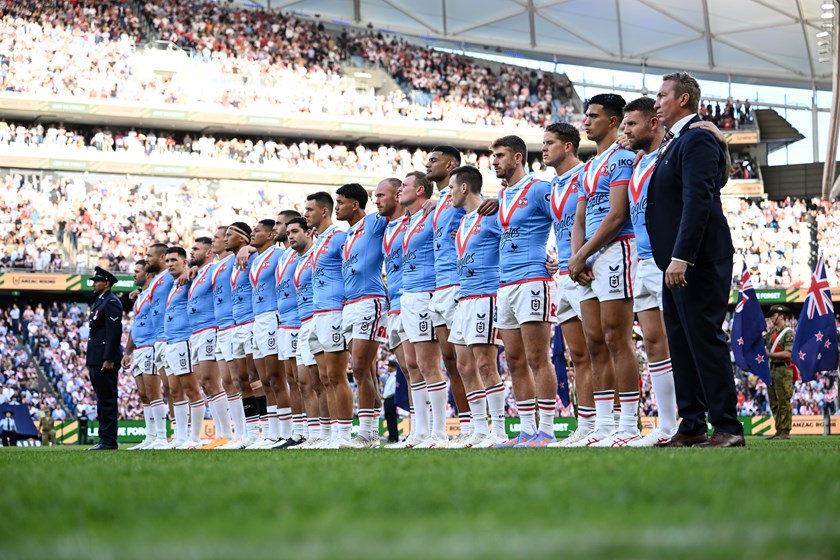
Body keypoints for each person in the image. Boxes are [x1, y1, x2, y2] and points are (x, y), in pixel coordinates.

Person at [647, 72, 744, 448]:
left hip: (695, 259)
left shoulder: (698, 138)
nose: (656, 102)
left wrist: (682, 257)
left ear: (683, 99)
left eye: (661, 95)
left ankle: (728, 427)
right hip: (675, 261)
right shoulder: (678, 142)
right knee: (682, 343)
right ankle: (691, 425)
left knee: (703, 339)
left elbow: (700, 198)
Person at [567, 93, 640, 448]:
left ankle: (628, 423)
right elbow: (579, 217)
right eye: (586, 115)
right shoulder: (587, 167)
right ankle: (604, 424)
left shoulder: (622, 158)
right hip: (590, 256)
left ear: (613, 121)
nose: (586, 121)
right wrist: (577, 256)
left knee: (616, 338)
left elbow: (616, 214)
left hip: (616, 250)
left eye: (593, 116)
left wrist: (583, 255)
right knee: (594, 342)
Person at [617, 96, 679, 447]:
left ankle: (694, 420)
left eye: (631, 125)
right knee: (654, 343)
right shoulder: (638, 162)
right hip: (643, 261)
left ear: (653, 123)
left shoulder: (671, 155)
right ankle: (666, 426)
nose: (625, 132)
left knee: (679, 341)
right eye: (624, 125)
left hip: (669, 259)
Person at [490, 136, 558, 448]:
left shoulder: (540, 188)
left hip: (533, 279)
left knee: (537, 357)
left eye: (500, 155)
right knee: (514, 361)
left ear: (518, 157)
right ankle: (527, 430)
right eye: (493, 156)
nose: (494, 161)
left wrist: (558, 253)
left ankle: (547, 430)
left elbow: (566, 218)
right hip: (504, 284)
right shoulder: (500, 197)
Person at [537, 123, 594, 448]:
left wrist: (585, 255)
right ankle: (585, 425)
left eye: (550, 143)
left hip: (589, 269)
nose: (544, 149)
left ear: (569, 146)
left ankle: (616, 421)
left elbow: (604, 216)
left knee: (603, 349)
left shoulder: (587, 174)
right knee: (578, 356)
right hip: (565, 275)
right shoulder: (553, 185)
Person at [448, 165, 507, 448]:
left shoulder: (492, 213)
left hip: (486, 295)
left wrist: (547, 259)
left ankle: (499, 430)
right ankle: (480, 430)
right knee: (464, 365)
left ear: (464, 187)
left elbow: (512, 239)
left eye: (450, 188)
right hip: (465, 298)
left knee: (485, 363)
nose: (447, 194)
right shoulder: (463, 221)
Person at [335, 183, 389, 448]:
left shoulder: (374, 223)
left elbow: (398, 211)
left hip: (371, 301)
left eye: (340, 202)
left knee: (358, 367)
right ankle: (372, 435)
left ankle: (366, 434)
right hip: (351, 305)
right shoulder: (347, 236)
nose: (336, 208)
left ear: (354, 204)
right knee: (363, 370)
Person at [399, 172, 449, 448]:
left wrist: (437, 201)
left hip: (425, 291)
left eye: (404, 186)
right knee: (413, 365)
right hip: (409, 294)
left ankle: (439, 431)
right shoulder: (411, 220)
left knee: (429, 364)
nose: (399, 190)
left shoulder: (432, 213)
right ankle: (420, 430)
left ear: (420, 190)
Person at [425, 146, 472, 441]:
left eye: (433, 160)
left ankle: (478, 425)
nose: (427, 164)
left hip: (458, 283)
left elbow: (482, 206)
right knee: (450, 360)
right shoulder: (439, 201)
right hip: (439, 286)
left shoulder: (459, 197)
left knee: (466, 359)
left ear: (450, 164)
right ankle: (466, 424)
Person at [305, 192, 352, 448]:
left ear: (324, 211)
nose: (306, 214)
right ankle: (334, 433)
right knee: (324, 378)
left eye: (310, 209)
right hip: (317, 313)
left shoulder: (339, 238)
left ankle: (345, 434)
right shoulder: (319, 241)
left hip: (335, 311)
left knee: (336, 375)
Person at [187, 237, 232, 449]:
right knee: (205, 384)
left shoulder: (215, 270)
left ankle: (226, 433)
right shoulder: (195, 275)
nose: (191, 252)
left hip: (209, 327)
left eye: (195, 249)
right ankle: (220, 434)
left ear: (208, 253)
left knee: (211, 380)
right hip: (196, 332)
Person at [272, 210, 310, 449]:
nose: (277, 228)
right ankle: (297, 432)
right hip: (284, 323)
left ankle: (310, 430)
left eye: (280, 224)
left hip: (299, 321)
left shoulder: (302, 252)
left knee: (304, 379)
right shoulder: (284, 254)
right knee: (291, 380)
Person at [163, 247, 206, 449]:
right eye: (168, 261)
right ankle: (180, 436)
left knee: (191, 389)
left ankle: (195, 437)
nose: (170, 264)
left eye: (174, 260)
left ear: (184, 261)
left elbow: (201, 270)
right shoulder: (173, 284)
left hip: (183, 340)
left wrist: (193, 268)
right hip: (171, 342)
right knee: (174, 390)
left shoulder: (190, 278)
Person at [122, 259, 168, 450]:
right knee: (143, 395)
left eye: (137, 271)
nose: (134, 274)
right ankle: (149, 437)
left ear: (148, 275)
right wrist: (127, 350)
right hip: (139, 348)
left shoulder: (155, 294)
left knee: (153, 392)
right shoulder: (140, 296)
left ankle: (161, 437)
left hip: (151, 345)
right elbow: (135, 326)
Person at [86, 266, 124, 450]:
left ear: (106, 283)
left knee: (107, 399)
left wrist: (108, 358)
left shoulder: (111, 302)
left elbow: (114, 332)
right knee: (102, 399)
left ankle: (109, 440)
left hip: (104, 358)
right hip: (96, 356)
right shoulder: (100, 301)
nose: (93, 284)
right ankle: (104, 439)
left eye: (96, 281)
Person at [764, 305, 794, 440]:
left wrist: (770, 355)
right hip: (772, 369)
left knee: (784, 400)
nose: (771, 318)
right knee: (774, 402)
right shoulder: (771, 333)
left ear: (781, 316)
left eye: (773, 315)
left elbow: (789, 353)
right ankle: (778, 429)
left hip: (784, 369)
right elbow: (759, 342)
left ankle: (785, 431)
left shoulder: (788, 332)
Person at [383, 362, 399, 443]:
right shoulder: (390, 376)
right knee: (389, 418)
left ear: (393, 367)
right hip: (387, 399)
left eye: (389, 366)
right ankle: (391, 436)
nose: (388, 368)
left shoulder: (395, 376)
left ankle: (394, 436)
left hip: (391, 398)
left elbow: (394, 390)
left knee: (392, 418)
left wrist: (385, 395)